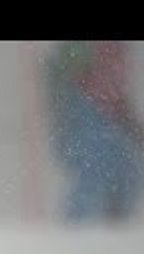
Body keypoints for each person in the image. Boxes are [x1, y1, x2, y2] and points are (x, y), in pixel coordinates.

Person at [46, 41, 144, 222]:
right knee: (93, 174)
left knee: (128, 174)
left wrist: (125, 114)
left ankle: (113, 229)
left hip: (110, 111)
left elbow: (114, 79)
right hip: (86, 108)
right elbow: (65, 70)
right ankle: (74, 233)